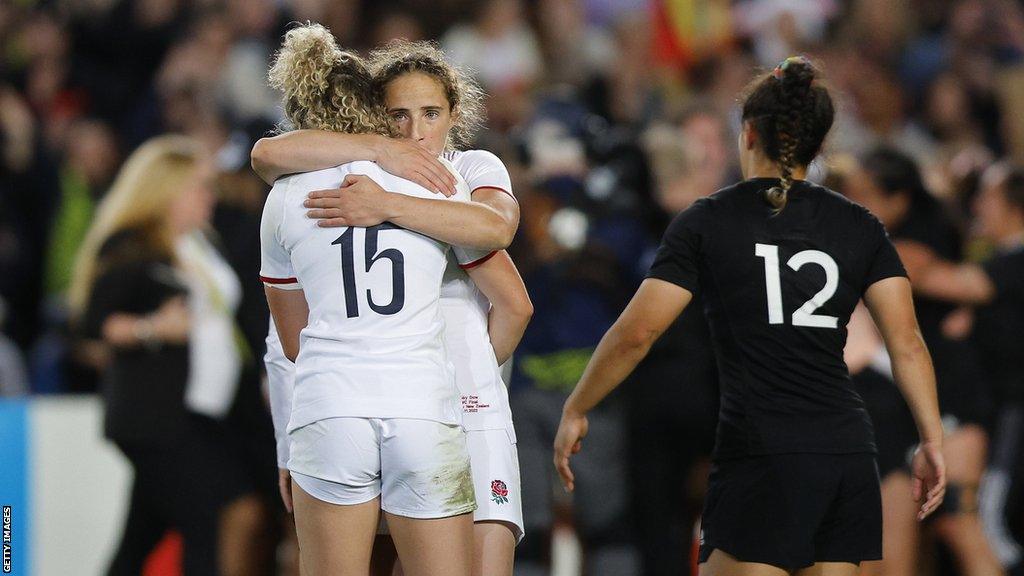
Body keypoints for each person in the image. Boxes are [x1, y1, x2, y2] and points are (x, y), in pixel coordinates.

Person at [552, 57, 947, 576]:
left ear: (748, 134)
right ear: (817, 143)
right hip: (846, 452)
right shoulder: (861, 225)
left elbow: (638, 332)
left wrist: (577, 406)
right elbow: (908, 344)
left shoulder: (707, 221)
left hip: (762, 452)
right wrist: (932, 439)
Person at [252, 37, 530, 576]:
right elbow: (514, 299)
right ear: (374, 117)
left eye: (431, 113)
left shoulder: (462, 169)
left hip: (341, 402)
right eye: (397, 116)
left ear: (455, 114)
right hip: (425, 404)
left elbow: (289, 339)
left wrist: (384, 203)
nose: (414, 130)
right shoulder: (443, 192)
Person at [69, 135, 263, 576]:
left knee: (142, 536)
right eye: (197, 185)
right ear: (166, 189)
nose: (206, 196)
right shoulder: (132, 244)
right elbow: (91, 323)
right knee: (214, 514)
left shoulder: (202, 244)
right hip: (157, 415)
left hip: (202, 414)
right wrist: (152, 328)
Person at [903, 163, 1024, 573]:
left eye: (988, 198)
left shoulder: (1016, 260)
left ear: (1015, 207)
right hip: (995, 414)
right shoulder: (1001, 263)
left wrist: (884, 247)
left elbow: (950, 280)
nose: (978, 207)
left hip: (1012, 416)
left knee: (988, 526)